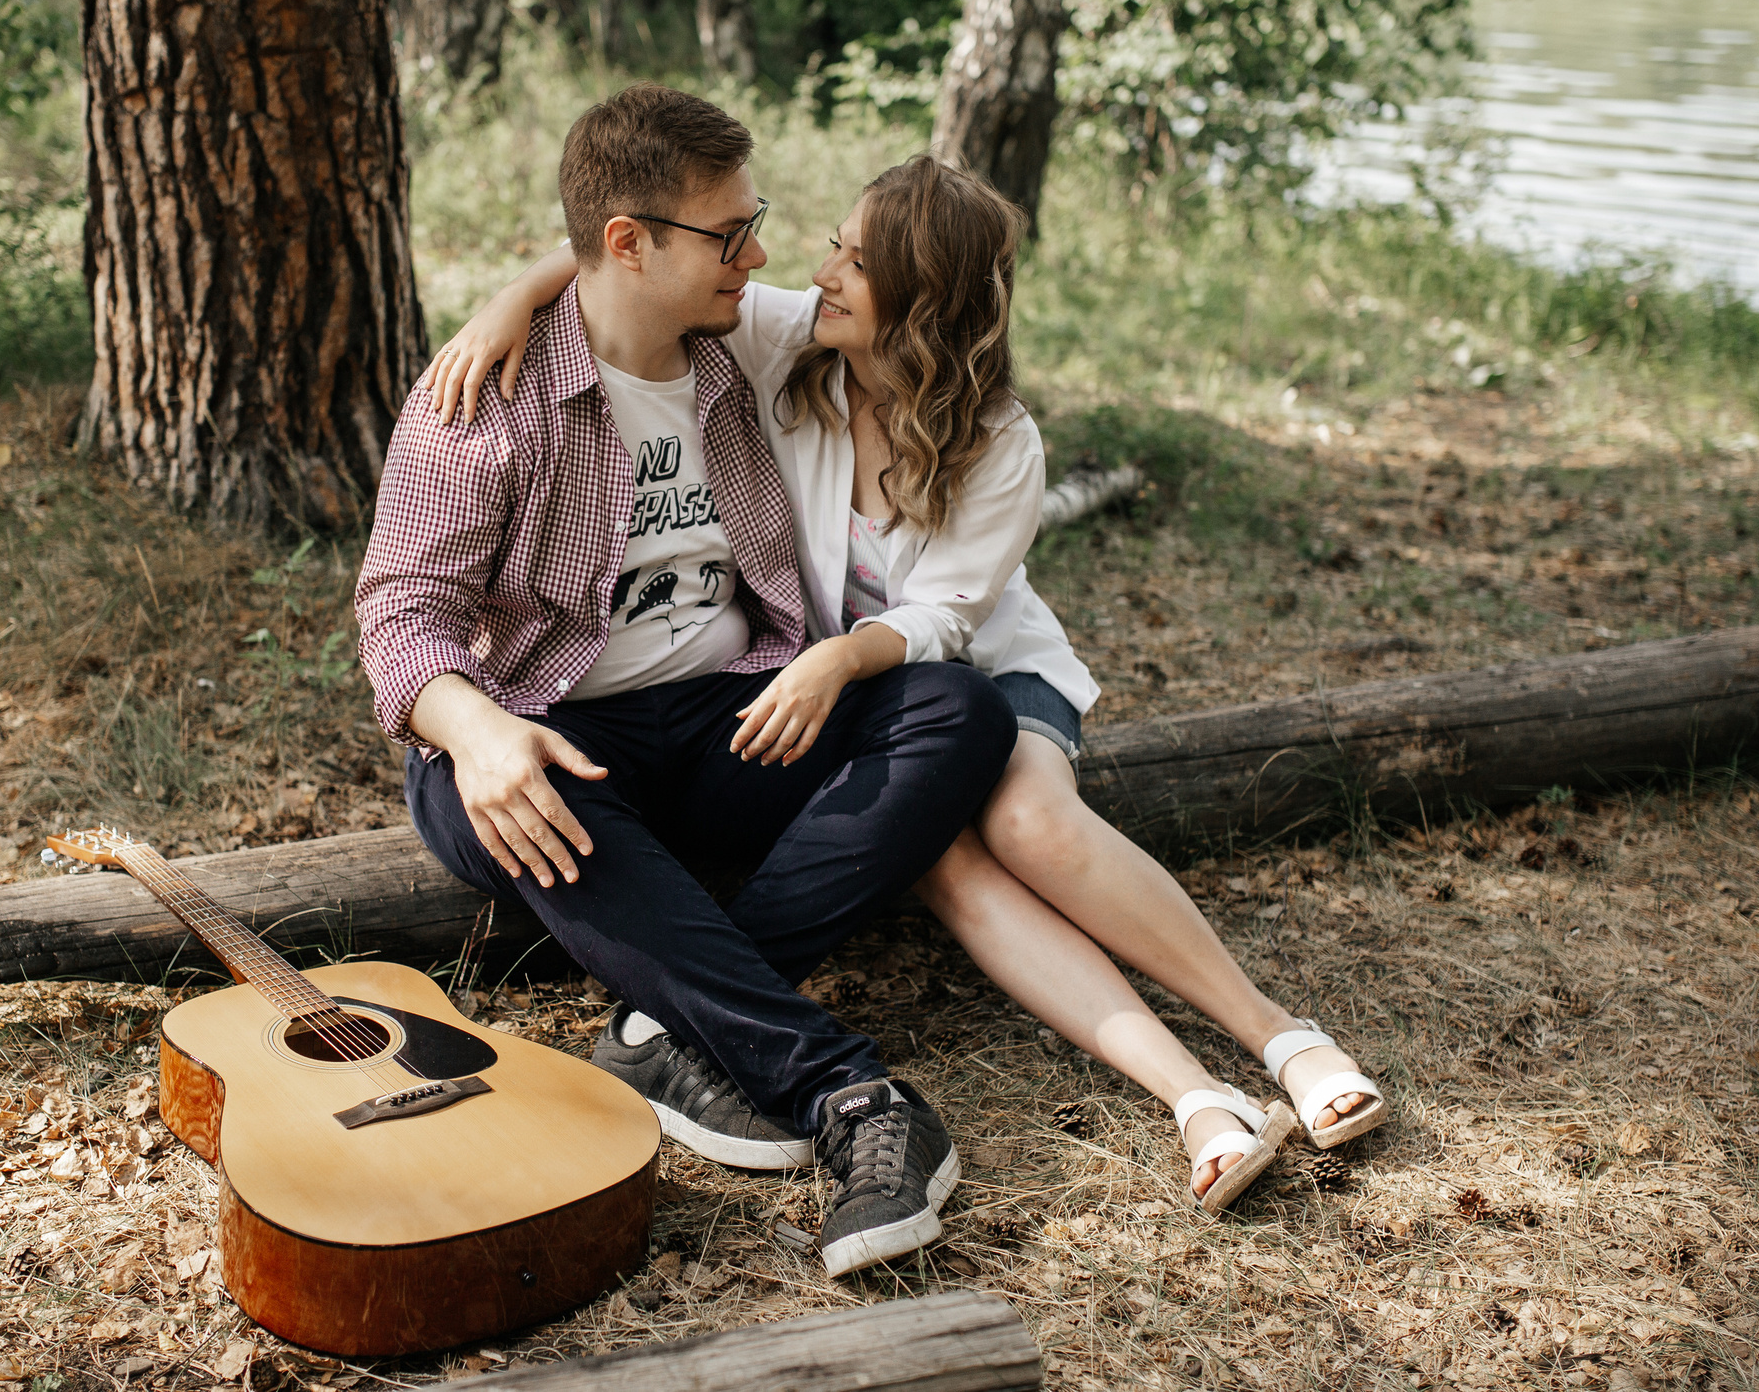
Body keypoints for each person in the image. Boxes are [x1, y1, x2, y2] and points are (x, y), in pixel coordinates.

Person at [427, 154, 1388, 1214]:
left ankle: (1283, 1040)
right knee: (955, 868)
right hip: (849, 708)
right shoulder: (789, 347)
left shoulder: (1000, 439)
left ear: (925, 301)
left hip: (976, 676)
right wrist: (504, 305)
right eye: (832, 245)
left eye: (856, 259)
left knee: (1030, 830)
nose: (821, 269)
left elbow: (949, 619)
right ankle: (1196, 1098)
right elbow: (624, 265)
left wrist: (836, 656)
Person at [355, 85, 1017, 1277]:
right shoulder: (482, 401)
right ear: (629, 242)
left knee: (958, 710)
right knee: (494, 789)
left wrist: (529, 278)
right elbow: (400, 614)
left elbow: (921, 316)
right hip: (549, 735)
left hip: (728, 723)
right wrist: (477, 731)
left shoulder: (741, 359)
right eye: (731, 235)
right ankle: (852, 1097)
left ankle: (667, 1023)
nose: (762, 258)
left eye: (754, 226)